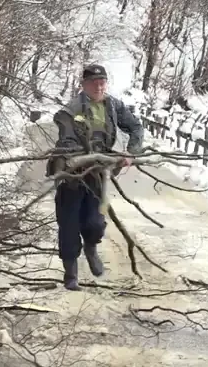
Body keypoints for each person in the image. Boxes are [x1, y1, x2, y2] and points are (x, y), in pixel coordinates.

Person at [46, 64, 144, 290]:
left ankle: (91, 248)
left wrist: (130, 152)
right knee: (69, 223)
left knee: (95, 221)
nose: (99, 87)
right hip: (72, 172)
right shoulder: (71, 110)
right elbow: (67, 140)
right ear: (83, 85)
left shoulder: (113, 105)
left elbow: (136, 127)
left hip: (97, 173)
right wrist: (80, 158)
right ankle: (70, 274)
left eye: (102, 82)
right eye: (94, 83)